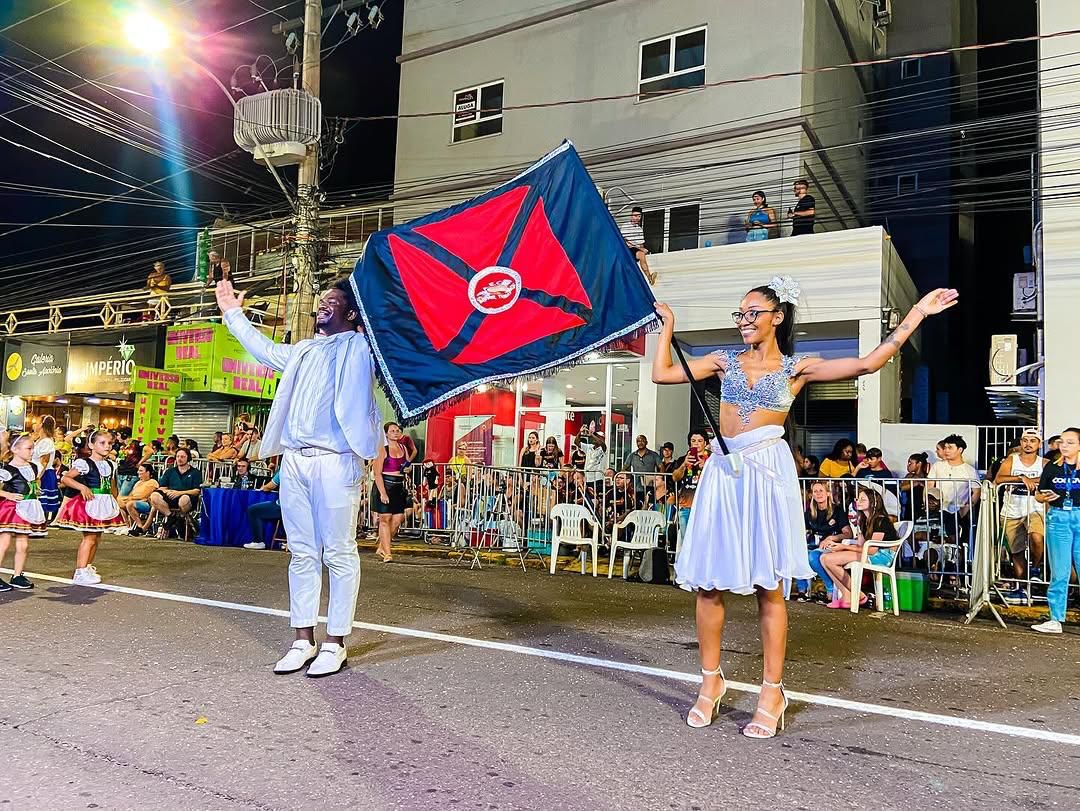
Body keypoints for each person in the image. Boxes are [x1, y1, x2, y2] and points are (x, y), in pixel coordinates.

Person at [652, 276, 956, 738]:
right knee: (708, 584)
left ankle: (771, 690)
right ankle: (710, 682)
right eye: (740, 313)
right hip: (724, 475)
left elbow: (869, 363)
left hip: (767, 476)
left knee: (768, 588)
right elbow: (661, 374)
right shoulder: (721, 361)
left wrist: (916, 312)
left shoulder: (797, 367)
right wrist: (667, 328)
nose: (744, 321)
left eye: (753, 312)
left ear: (777, 316)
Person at [217, 277, 381, 678]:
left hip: (336, 461)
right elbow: (265, 350)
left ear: (352, 312)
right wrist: (232, 313)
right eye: (322, 299)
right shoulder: (303, 350)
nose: (322, 304)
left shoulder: (362, 346)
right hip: (294, 461)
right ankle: (301, 640)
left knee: (339, 552)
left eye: (333, 300)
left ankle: (335, 642)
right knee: (302, 552)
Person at [56, 430, 127, 585]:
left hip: (104, 502)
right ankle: (80, 571)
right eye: (102, 443)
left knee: (97, 537)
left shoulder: (110, 464)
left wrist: (115, 501)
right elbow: (66, 478)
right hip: (91, 502)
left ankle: (87, 566)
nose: (107, 446)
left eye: (109, 443)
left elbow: (112, 486)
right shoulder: (84, 463)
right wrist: (82, 487)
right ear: (91, 445)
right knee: (89, 537)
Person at [1032, 427, 1080, 634]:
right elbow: (1038, 494)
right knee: (1059, 571)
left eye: (1070, 442)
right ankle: (1055, 619)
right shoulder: (1052, 467)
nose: (1064, 446)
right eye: (1062, 441)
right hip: (1058, 518)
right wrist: (1044, 497)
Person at [820, 486, 899, 609]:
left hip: (882, 556)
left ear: (873, 503)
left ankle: (859, 595)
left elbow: (872, 550)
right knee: (824, 558)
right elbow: (860, 546)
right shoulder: (864, 520)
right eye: (858, 499)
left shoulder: (880, 521)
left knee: (830, 560)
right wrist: (842, 547)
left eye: (863, 499)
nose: (858, 501)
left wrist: (842, 547)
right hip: (869, 553)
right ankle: (847, 594)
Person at [994, 428, 1047, 602]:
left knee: (1037, 537)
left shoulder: (1044, 463)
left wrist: (1031, 480)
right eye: (1025, 440)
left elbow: (1049, 481)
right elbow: (998, 479)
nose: (1028, 444)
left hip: (1036, 508)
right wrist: (1020, 478)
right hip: (1012, 510)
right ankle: (1022, 586)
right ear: (1021, 442)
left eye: (1033, 441)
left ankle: (1035, 569)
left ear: (1039, 444)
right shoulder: (1012, 460)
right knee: (1016, 552)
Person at [0, 434, 46, 592]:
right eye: (29, 448)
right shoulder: (7, 470)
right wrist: (8, 495)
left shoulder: (33, 467)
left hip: (27, 508)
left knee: (23, 544)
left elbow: (33, 482)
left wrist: (35, 490)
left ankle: (17, 575)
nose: (32, 451)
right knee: (4, 542)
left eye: (32, 448)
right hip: (11, 508)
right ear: (15, 449)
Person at [796, 480, 851, 602]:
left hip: (830, 546)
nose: (818, 494)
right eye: (815, 491)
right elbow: (803, 530)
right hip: (813, 543)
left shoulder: (837, 511)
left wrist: (832, 538)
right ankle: (802, 590)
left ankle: (830, 589)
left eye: (821, 491)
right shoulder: (810, 513)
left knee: (813, 557)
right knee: (797, 553)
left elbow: (848, 533)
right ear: (812, 495)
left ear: (828, 493)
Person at [928, 434, 980, 551]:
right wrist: (927, 502)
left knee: (958, 542)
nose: (946, 450)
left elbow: (976, 492)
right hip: (938, 510)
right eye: (945, 447)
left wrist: (966, 509)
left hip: (959, 511)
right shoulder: (938, 466)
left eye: (950, 447)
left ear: (960, 450)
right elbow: (929, 485)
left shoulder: (969, 470)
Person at [373, 421, 409, 563]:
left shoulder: (403, 448)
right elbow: (377, 473)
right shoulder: (382, 449)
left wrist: (407, 469)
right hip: (385, 484)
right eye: (393, 430)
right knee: (385, 519)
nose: (396, 432)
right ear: (386, 433)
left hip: (399, 485)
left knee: (398, 519)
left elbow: (407, 466)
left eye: (397, 430)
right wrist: (382, 493)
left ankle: (382, 545)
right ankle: (387, 553)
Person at [149, 447, 203, 536]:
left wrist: (179, 493)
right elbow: (162, 487)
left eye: (182, 457)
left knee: (184, 499)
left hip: (187, 499)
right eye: (178, 456)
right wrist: (169, 491)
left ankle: (181, 518)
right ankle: (171, 516)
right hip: (170, 497)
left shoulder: (195, 472)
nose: (179, 459)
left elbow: (196, 491)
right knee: (154, 495)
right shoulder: (170, 471)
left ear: (188, 458)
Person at [671, 431, 709, 543]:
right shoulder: (683, 459)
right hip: (686, 505)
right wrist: (684, 465)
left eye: (700, 441)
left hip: (705, 506)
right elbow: (675, 477)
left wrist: (706, 466)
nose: (696, 444)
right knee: (686, 542)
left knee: (703, 542)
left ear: (705, 443)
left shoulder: (712, 459)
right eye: (693, 441)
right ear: (689, 444)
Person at [243, 469, 282, 551]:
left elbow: (270, 487)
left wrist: (263, 488)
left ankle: (258, 541)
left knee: (253, 510)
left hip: (284, 507)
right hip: (303, 508)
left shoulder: (285, 469)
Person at [32, 416, 61, 523]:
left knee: (41, 500)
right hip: (37, 472)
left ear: (42, 425)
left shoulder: (47, 442)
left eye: (37, 422)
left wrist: (38, 477)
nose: (34, 425)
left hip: (43, 473)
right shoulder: (39, 440)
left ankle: (40, 523)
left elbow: (44, 462)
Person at [619, 205, 655, 283]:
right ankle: (649, 276)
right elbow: (624, 240)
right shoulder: (625, 226)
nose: (637, 218)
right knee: (641, 254)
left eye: (639, 216)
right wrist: (640, 249)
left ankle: (649, 277)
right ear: (631, 215)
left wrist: (643, 249)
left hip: (636, 250)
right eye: (635, 216)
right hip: (627, 249)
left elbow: (641, 243)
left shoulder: (639, 229)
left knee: (642, 255)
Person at [122, 463, 159, 535]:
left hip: (146, 504)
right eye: (138, 470)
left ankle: (140, 526)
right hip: (135, 501)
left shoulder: (152, 482)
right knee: (120, 504)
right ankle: (128, 526)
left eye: (141, 471)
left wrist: (130, 499)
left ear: (147, 472)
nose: (138, 472)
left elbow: (144, 496)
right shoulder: (138, 483)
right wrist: (127, 499)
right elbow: (131, 494)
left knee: (129, 504)